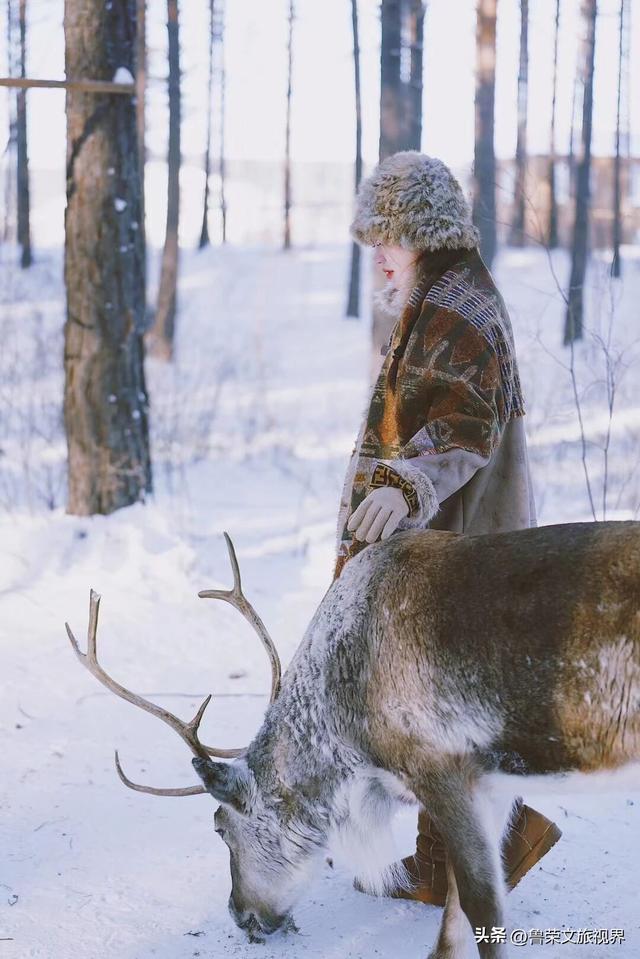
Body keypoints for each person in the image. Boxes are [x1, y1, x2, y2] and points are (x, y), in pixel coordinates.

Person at [335, 151, 561, 906]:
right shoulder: (440, 296)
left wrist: (404, 484)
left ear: (420, 231)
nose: (377, 253)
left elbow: (462, 425)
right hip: (454, 543)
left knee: (440, 705)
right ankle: (449, 864)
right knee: (438, 705)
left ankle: (501, 841)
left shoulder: (459, 305)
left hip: (462, 543)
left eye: (385, 236)